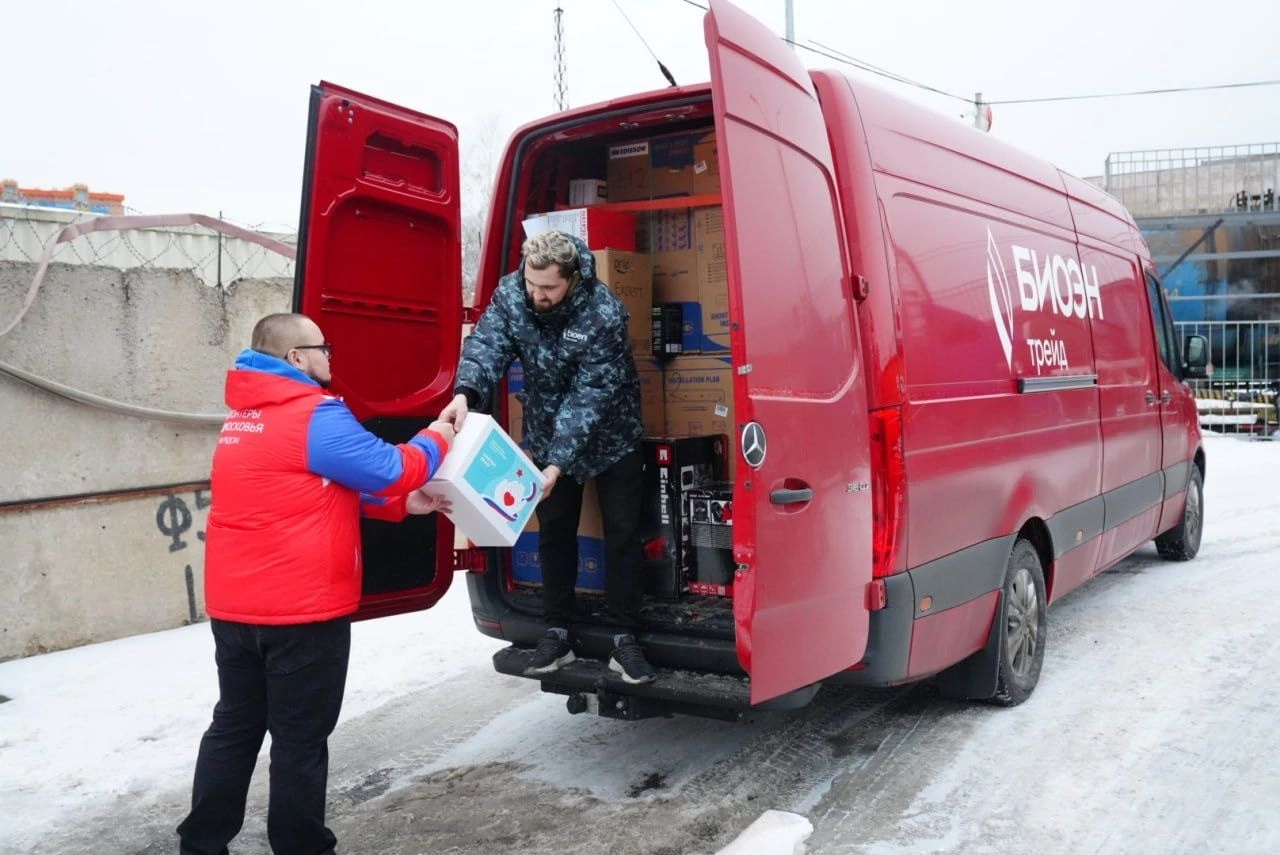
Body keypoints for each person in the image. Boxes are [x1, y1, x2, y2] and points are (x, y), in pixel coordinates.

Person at [177, 312, 455, 855]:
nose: (331, 355)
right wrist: (437, 436)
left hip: (237, 612)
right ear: (296, 359)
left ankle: (202, 844)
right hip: (302, 615)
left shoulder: (243, 417)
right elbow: (393, 467)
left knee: (233, 728)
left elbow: (311, 485)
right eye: (323, 347)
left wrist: (402, 506)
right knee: (300, 741)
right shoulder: (314, 414)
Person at [438, 230, 655, 685]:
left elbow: (590, 398)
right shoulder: (514, 293)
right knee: (555, 530)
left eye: (549, 288)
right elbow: (488, 345)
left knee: (622, 533)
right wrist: (465, 394)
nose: (537, 294)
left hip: (612, 435)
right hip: (547, 432)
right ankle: (557, 632)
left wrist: (557, 463)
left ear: (573, 279)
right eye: (532, 284)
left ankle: (624, 637)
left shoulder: (604, 314)